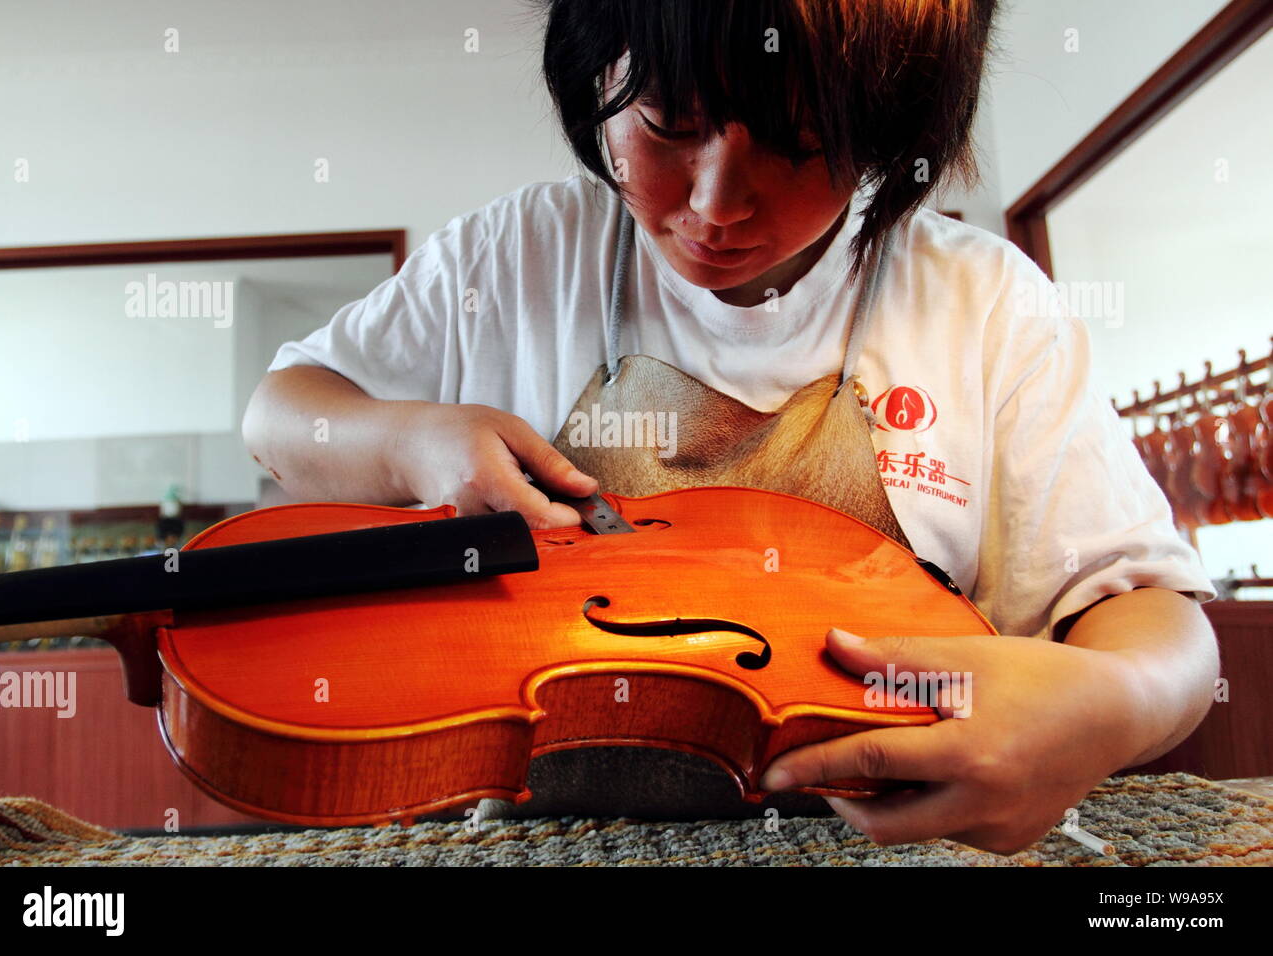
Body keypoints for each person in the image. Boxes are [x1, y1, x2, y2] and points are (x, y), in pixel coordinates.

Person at [243, 0, 1218, 854]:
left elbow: (1155, 620)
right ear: (597, 79)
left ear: (888, 133)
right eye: (669, 124)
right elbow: (280, 415)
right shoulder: (514, 257)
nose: (715, 206)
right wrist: (413, 441)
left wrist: (1118, 701)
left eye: (799, 145)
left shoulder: (984, 299)